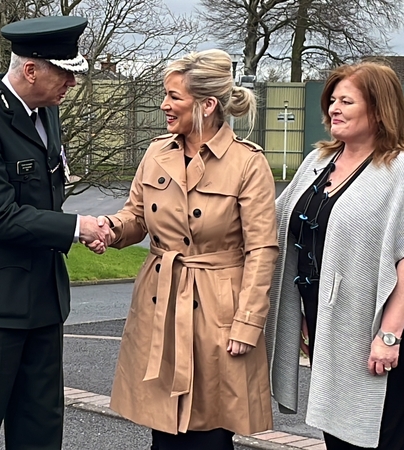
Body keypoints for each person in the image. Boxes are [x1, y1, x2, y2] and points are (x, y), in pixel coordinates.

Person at [0, 16, 111, 450]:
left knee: (40, 428)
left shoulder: (46, 112)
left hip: (43, 300)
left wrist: (76, 229)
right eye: (64, 71)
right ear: (31, 69)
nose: (71, 82)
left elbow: (45, 196)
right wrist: (76, 228)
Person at [94, 49, 278, 450]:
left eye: (174, 97)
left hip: (218, 309)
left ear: (207, 105)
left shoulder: (248, 164)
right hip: (161, 302)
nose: (164, 105)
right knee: (164, 427)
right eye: (165, 94)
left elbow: (262, 250)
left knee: (209, 433)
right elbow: (137, 216)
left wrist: (247, 323)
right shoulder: (157, 152)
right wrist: (111, 228)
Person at [267, 62, 404, 449]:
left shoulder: (401, 170)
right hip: (325, 324)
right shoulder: (318, 163)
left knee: (375, 434)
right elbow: (277, 223)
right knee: (337, 431)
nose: (334, 108)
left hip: (373, 329)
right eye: (332, 100)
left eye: (346, 101)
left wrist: (389, 335)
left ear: (379, 108)